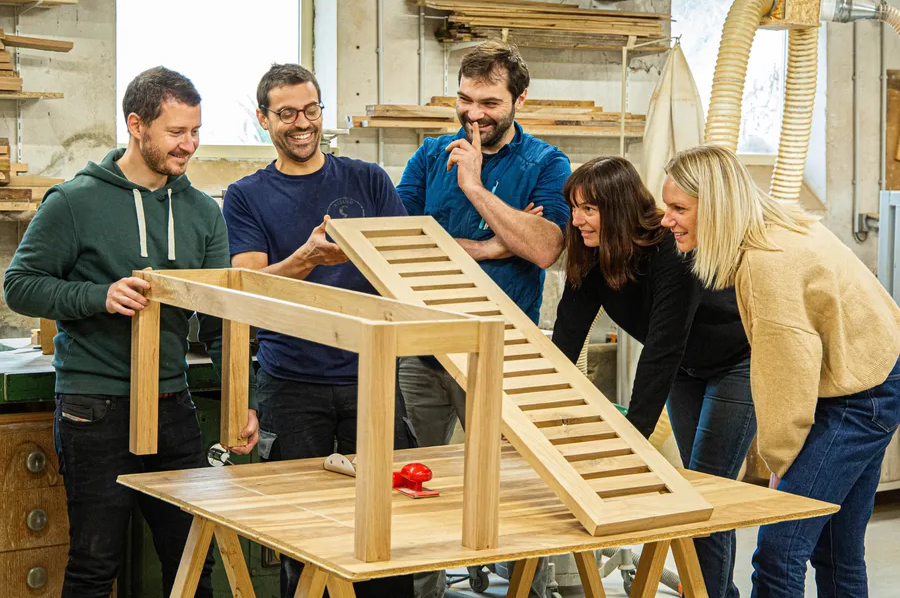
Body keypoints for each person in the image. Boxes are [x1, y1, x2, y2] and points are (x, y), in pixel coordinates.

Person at [3, 67, 258, 598]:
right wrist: (99, 296)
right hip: (94, 408)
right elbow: (20, 286)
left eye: (195, 131)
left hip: (172, 405)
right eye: (176, 132)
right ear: (136, 125)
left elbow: (215, 315)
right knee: (96, 565)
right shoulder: (75, 201)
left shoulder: (201, 213)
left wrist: (241, 399)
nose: (189, 145)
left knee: (192, 558)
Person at [662, 145, 900, 598]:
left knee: (778, 549)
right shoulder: (778, 224)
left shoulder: (766, 262)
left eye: (679, 209)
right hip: (877, 374)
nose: (667, 219)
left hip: (861, 397)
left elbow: (785, 373)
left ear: (716, 207)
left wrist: (778, 459)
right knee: (837, 550)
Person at [223, 63, 415, 598]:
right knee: (301, 532)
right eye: (286, 114)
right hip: (292, 382)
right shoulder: (246, 195)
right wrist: (305, 257)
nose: (301, 123)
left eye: (311, 110)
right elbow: (249, 286)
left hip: (371, 375)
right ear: (264, 120)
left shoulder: (369, 180)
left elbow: (403, 266)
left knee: (387, 526)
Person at [396, 41, 570, 598]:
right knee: (412, 485)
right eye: (465, 100)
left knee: (517, 485)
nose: (474, 115)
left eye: (490, 102)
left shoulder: (546, 163)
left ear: (521, 98)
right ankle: (424, 590)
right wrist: (493, 247)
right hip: (421, 347)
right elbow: (399, 242)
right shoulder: (429, 156)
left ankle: (524, 589)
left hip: (502, 355)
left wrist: (473, 185)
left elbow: (544, 248)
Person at [551, 157, 753, 598]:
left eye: (588, 209)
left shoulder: (670, 248)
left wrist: (633, 439)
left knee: (706, 488)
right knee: (692, 490)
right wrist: (538, 413)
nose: (576, 219)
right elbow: (567, 335)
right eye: (573, 207)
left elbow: (663, 347)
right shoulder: (591, 251)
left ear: (618, 208)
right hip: (686, 369)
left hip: (736, 364)